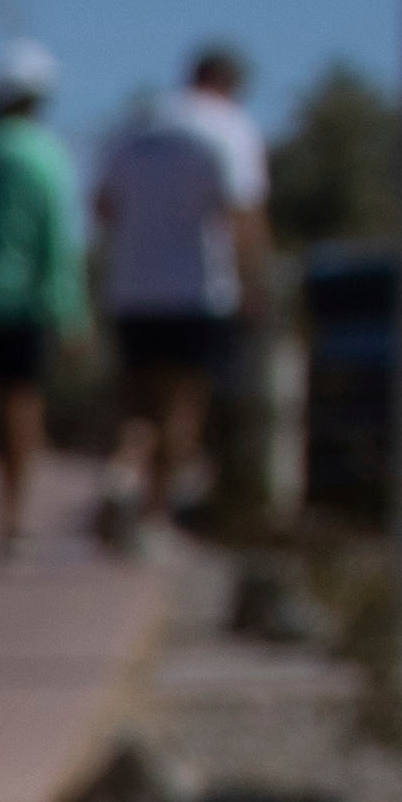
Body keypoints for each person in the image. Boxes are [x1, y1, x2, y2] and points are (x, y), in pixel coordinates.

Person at [95, 45, 271, 550]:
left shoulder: (138, 126)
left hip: (131, 289)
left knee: (137, 403)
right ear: (228, 82)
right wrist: (254, 281)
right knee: (181, 406)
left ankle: (122, 471)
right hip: (195, 291)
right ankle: (154, 519)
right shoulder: (228, 127)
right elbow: (244, 212)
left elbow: (104, 207)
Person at [0, 42, 88, 566]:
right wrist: (71, 311)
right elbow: (57, 242)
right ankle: (10, 526)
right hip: (19, 305)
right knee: (20, 411)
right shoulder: (43, 154)